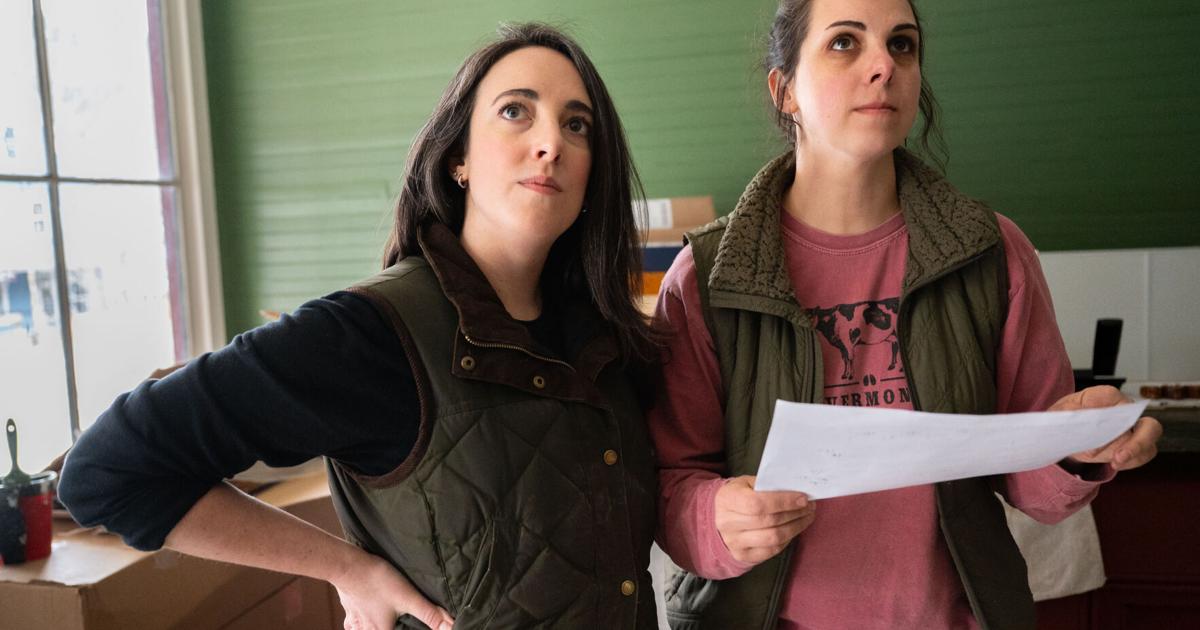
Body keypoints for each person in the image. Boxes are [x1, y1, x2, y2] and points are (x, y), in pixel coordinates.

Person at [59, 23, 662, 630]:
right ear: (459, 158)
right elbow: (108, 472)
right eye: (515, 112)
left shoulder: (610, 341)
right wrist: (349, 569)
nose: (550, 143)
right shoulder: (373, 334)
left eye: (576, 124)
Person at [648, 1, 1162, 628]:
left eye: (902, 45)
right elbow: (669, 483)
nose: (883, 67)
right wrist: (715, 518)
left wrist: (1077, 445)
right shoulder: (706, 278)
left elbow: (1035, 487)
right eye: (844, 43)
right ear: (784, 90)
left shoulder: (994, 253)